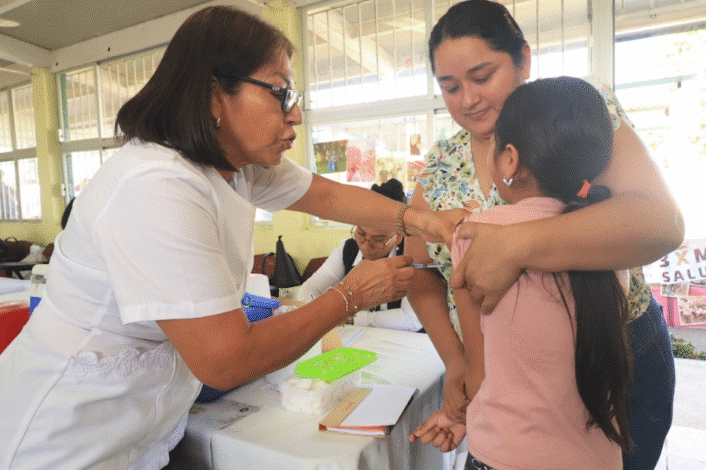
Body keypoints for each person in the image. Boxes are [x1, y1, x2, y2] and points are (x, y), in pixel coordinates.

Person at [0, 6, 467, 469]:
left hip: (140, 429)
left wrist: (426, 222)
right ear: (213, 96)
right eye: (281, 93)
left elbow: (325, 197)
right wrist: (352, 294)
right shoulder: (156, 186)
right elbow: (226, 361)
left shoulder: (232, 167)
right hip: (61, 438)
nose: (297, 115)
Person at [406, 1, 682, 468]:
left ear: (524, 60)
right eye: (449, 87)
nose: (467, 99)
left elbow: (660, 224)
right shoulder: (440, 166)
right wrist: (460, 362)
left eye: (482, 75)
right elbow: (420, 272)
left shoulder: (576, 113)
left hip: (613, 358)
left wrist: (515, 245)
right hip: (509, 379)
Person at [413, 77, 634, 469]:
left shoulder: (474, 236)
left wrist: (459, 417)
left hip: (507, 456)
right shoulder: (613, 239)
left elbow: (478, 374)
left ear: (509, 160)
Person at [297, 179, 423, 332]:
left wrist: (349, 318)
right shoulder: (348, 249)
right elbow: (308, 290)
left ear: (399, 237)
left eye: (378, 239)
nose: (365, 245)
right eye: (361, 234)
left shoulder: (412, 256)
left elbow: (412, 319)